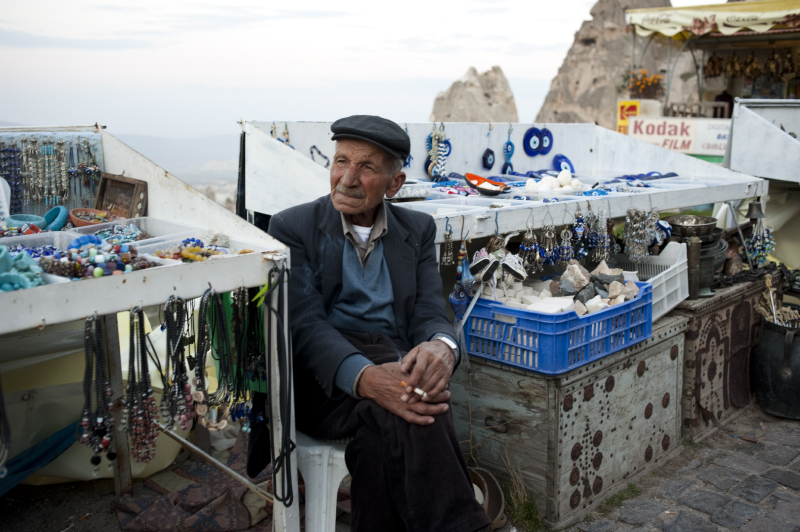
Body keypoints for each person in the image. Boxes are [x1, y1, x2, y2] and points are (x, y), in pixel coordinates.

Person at [249, 115, 491, 532]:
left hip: (394, 379)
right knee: (410, 391)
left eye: (367, 167)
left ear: (394, 184)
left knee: (386, 424)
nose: (347, 178)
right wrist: (366, 376)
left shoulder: (416, 229)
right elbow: (305, 325)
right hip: (322, 386)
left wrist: (441, 348)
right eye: (341, 161)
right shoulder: (294, 227)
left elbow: (431, 312)